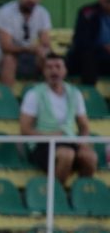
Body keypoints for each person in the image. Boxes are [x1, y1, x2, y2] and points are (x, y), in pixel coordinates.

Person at [20, 53, 95, 186]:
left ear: (65, 70)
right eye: (49, 67)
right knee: (67, 155)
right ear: (44, 71)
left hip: (68, 140)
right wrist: (48, 136)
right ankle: (56, 197)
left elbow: (84, 126)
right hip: (42, 144)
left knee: (90, 157)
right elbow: (25, 129)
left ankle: (81, 196)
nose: (54, 70)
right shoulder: (34, 94)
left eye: (58, 67)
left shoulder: (75, 93)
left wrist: (83, 144)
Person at [67, 0, 110, 86]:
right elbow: (81, 41)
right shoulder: (87, 12)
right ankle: (89, 96)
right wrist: (104, 47)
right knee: (88, 56)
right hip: (89, 58)